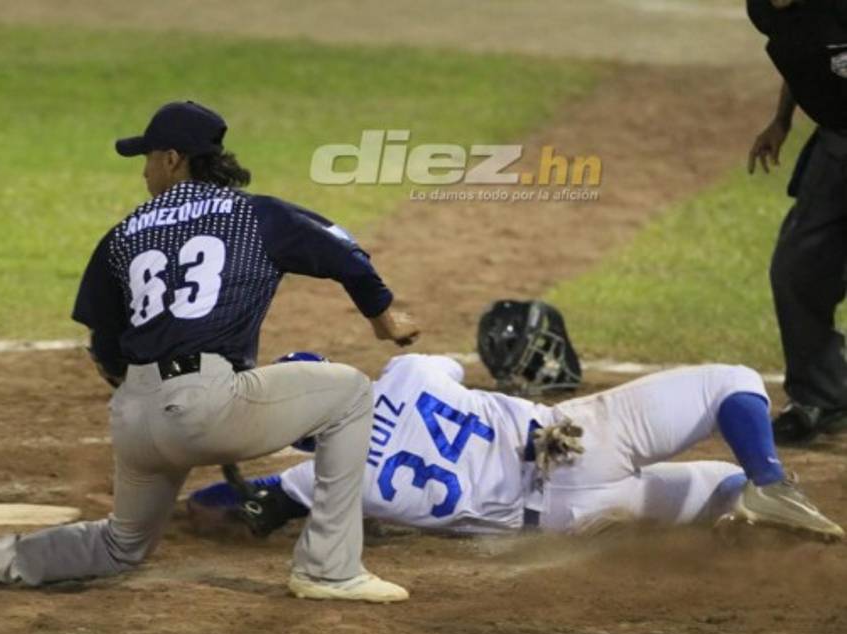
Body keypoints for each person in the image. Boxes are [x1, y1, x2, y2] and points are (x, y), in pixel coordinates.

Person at [0, 100, 420, 603]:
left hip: (133, 418)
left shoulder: (121, 235)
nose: (145, 171)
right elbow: (347, 254)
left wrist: (151, 394)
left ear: (173, 158)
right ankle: (330, 571)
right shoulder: (256, 214)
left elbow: (104, 348)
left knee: (118, 545)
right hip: (210, 405)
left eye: (148, 157)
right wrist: (384, 318)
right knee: (351, 392)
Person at [190, 352, 844, 542]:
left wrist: (201, 497)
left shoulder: (325, 478)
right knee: (730, 382)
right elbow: (446, 364)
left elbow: (242, 501)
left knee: (710, 490)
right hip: (561, 443)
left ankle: (759, 522)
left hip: (555, 520)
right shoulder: (408, 372)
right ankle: (769, 482)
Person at [747, 0, 847, 444]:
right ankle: (820, 396)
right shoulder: (766, 9)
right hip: (837, 144)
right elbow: (800, 54)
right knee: (797, 269)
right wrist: (781, 120)